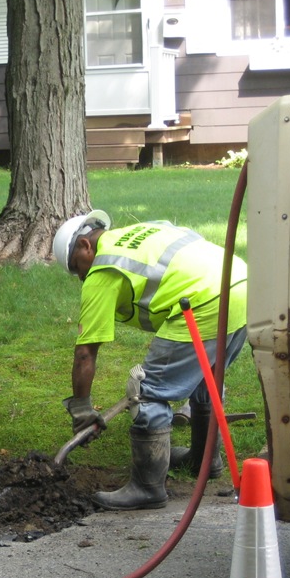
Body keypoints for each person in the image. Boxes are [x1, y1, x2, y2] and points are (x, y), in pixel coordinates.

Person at [52, 211, 248, 510]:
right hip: (241, 283)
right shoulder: (143, 231)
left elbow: (85, 352)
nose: (80, 277)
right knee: (205, 377)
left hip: (203, 300)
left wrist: (80, 408)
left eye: (76, 268)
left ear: (85, 245)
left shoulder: (103, 271)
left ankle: (147, 488)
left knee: (146, 391)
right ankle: (204, 460)